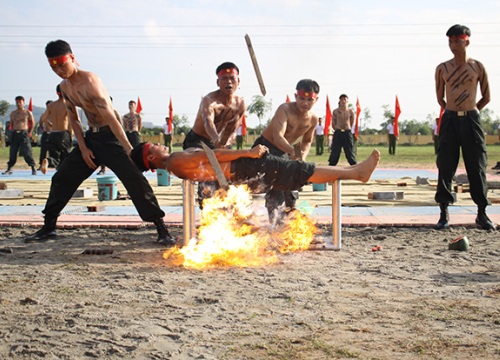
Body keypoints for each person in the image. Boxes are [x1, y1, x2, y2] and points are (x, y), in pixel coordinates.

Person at [25, 39, 175, 246]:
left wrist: (130, 151)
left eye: (62, 63)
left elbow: (112, 118)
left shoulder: (91, 82)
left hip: (112, 137)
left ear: (72, 58)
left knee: (135, 179)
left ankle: (162, 229)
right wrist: (84, 149)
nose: (59, 70)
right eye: (54, 66)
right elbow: (75, 121)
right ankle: (48, 227)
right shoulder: (64, 87)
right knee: (61, 177)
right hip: (91, 139)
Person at [434, 24, 496, 231]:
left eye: (456, 40)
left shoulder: (477, 67)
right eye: (449, 41)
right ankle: (443, 212)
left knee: (477, 165)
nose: (452, 45)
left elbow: (487, 96)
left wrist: (471, 111)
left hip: (471, 120)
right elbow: (440, 98)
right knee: (445, 165)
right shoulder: (442, 68)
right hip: (450, 120)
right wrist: (453, 110)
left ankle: (482, 213)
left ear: (466, 41)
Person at [131, 142, 380, 193]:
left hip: (241, 173)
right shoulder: (174, 159)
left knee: (298, 174)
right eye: (154, 146)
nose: (160, 145)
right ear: (151, 157)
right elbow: (213, 157)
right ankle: (357, 174)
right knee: (300, 171)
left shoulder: (174, 167)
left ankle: (354, 171)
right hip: (244, 168)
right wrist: (247, 152)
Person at [253, 79, 320, 222]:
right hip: (266, 147)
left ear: (316, 99)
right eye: (302, 98)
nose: (305, 103)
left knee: (293, 182)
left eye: (310, 99)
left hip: (286, 150)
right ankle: (276, 223)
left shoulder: (313, 119)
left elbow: (307, 141)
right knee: (276, 185)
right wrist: (293, 153)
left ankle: (290, 221)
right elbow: (278, 137)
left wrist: (301, 157)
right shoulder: (284, 109)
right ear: (296, 97)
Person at [182, 62, 245, 208]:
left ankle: (229, 210)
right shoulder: (209, 100)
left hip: (221, 143)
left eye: (232, 78)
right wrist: (216, 139)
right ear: (218, 82)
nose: (228, 82)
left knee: (232, 172)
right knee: (208, 175)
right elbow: (207, 122)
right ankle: (206, 207)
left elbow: (233, 129)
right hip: (198, 141)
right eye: (224, 79)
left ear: (238, 81)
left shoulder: (240, 103)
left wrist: (224, 144)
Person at [40, 85, 73, 173]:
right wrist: (71, 133)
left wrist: (50, 125)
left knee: (55, 157)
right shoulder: (67, 104)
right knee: (66, 157)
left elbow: (43, 118)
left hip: (53, 133)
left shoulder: (51, 105)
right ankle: (65, 174)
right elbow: (71, 121)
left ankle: (48, 160)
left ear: (57, 93)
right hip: (63, 133)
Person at [2, 96, 37, 175]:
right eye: (17, 102)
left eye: (20, 102)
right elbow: (11, 123)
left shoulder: (27, 112)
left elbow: (32, 123)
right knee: (13, 151)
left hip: (24, 133)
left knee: (27, 151)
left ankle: (33, 167)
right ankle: (9, 168)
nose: (18, 104)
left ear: (23, 103)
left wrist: (29, 132)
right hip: (15, 133)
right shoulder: (13, 113)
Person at [328, 94, 356, 165]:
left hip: (347, 132)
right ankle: (331, 167)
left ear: (347, 101)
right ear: (339, 101)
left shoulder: (350, 111)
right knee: (335, 151)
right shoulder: (335, 111)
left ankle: (354, 166)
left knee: (349, 151)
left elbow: (352, 121)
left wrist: (347, 128)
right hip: (338, 133)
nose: (343, 101)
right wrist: (337, 128)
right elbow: (333, 122)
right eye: (342, 99)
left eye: (345, 99)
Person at [97, 97, 121, 175]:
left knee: (116, 153)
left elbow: (120, 124)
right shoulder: (100, 112)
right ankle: (102, 169)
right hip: (103, 135)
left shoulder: (115, 112)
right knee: (102, 153)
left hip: (113, 135)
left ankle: (119, 170)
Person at [38, 100, 53, 171]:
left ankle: (52, 164)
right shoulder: (43, 115)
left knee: (53, 150)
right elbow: (40, 123)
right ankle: (41, 164)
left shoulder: (55, 115)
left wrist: (48, 122)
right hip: (46, 133)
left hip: (53, 134)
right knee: (43, 150)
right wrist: (43, 128)